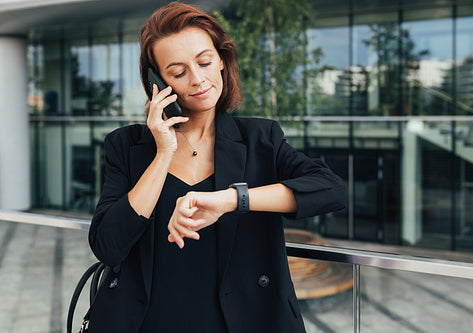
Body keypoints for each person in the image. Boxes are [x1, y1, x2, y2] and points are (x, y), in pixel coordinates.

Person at [88, 2, 346, 332]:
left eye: (205, 62)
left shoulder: (260, 138)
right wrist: (163, 153)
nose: (197, 79)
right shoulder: (125, 146)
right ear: (157, 83)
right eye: (178, 72)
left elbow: (332, 190)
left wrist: (231, 201)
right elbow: (108, 247)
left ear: (221, 61)